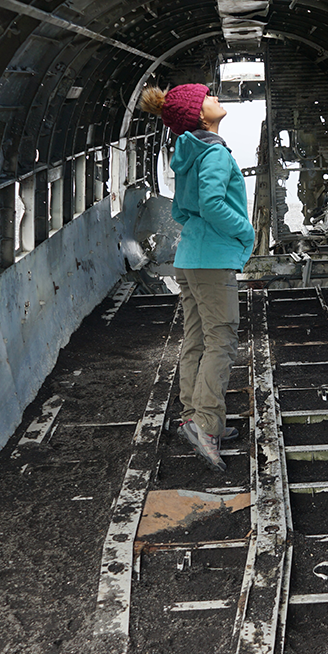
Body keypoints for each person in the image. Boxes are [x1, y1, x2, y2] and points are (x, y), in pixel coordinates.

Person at [139, 83, 255, 472]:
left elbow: (183, 210)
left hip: (190, 256)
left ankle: (195, 417)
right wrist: (244, 231)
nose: (215, 98)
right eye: (208, 97)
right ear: (199, 115)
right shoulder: (215, 153)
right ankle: (206, 424)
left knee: (197, 337)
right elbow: (211, 203)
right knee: (221, 339)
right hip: (211, 259)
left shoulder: (188, 151)